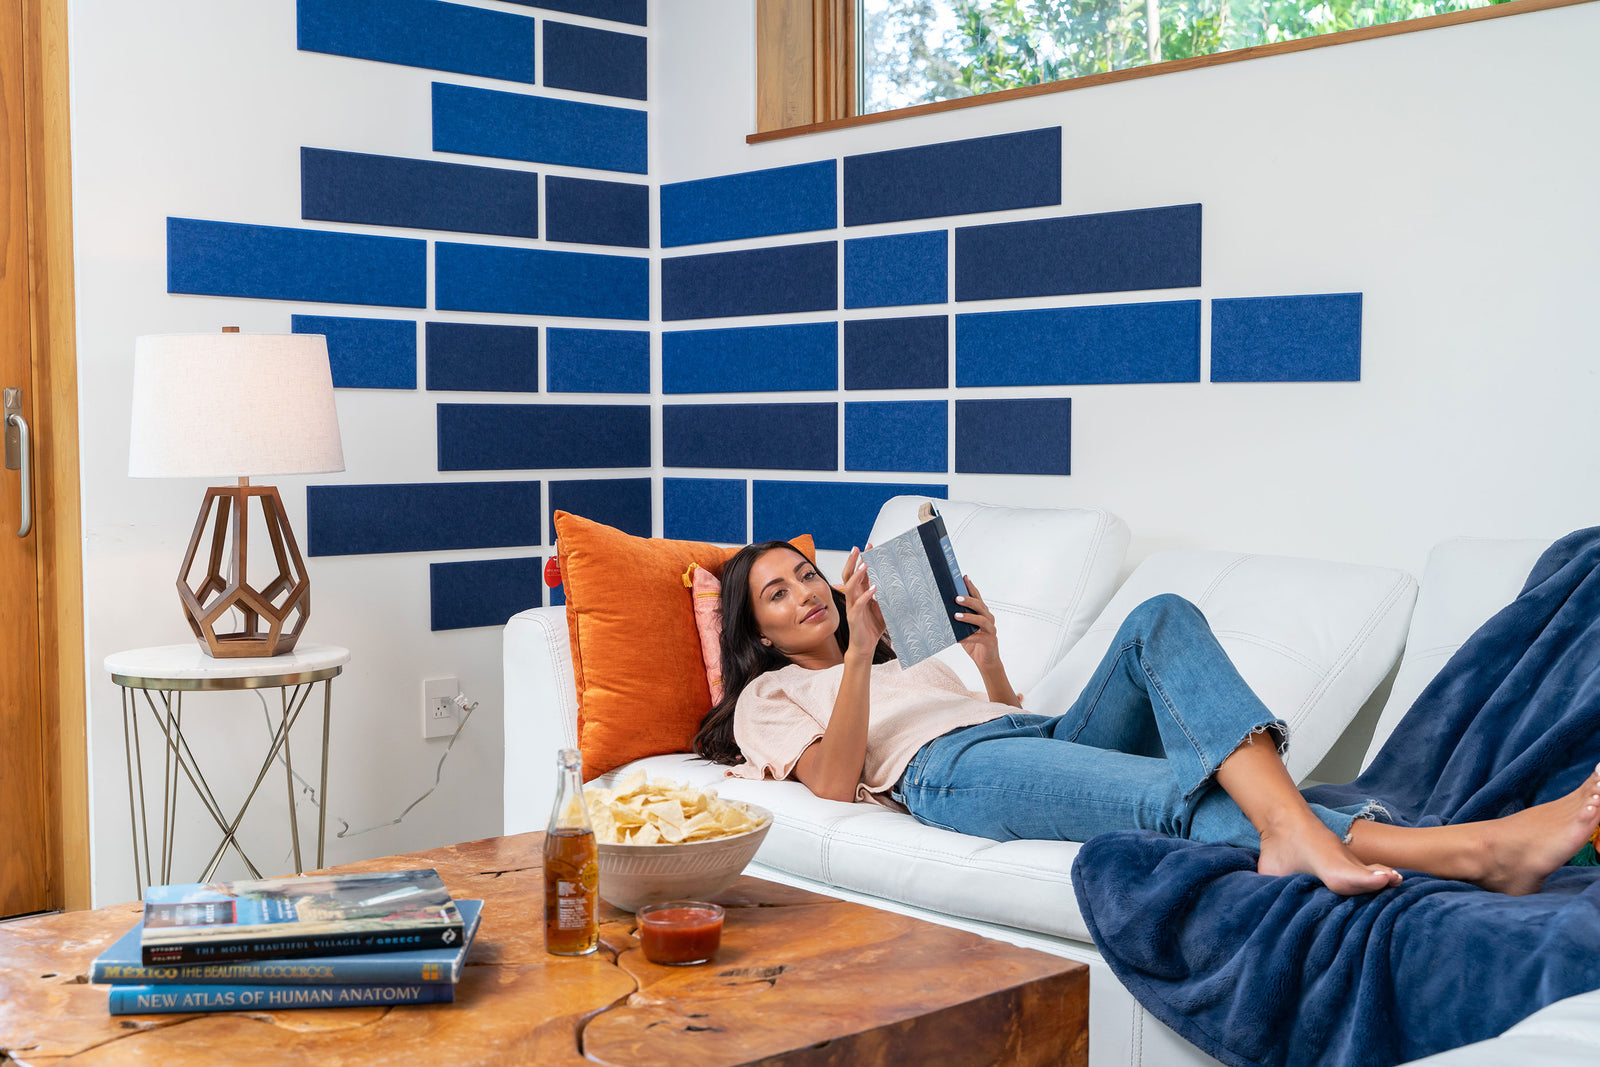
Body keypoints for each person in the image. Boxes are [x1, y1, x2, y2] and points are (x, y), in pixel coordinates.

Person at [692, 540, 1600, 897]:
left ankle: (1292, 828)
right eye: (779, 592)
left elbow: (1010, 726)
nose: (807, 592)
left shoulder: (902, 651)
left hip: (1026, 738)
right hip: (950, 776)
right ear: (757, 631)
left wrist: (986, 659)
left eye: (808, 575)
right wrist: (855, 656)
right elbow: (835, 780)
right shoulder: (771, 698)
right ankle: (1470, 849)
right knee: (1174, 791)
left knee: (1161, 614)